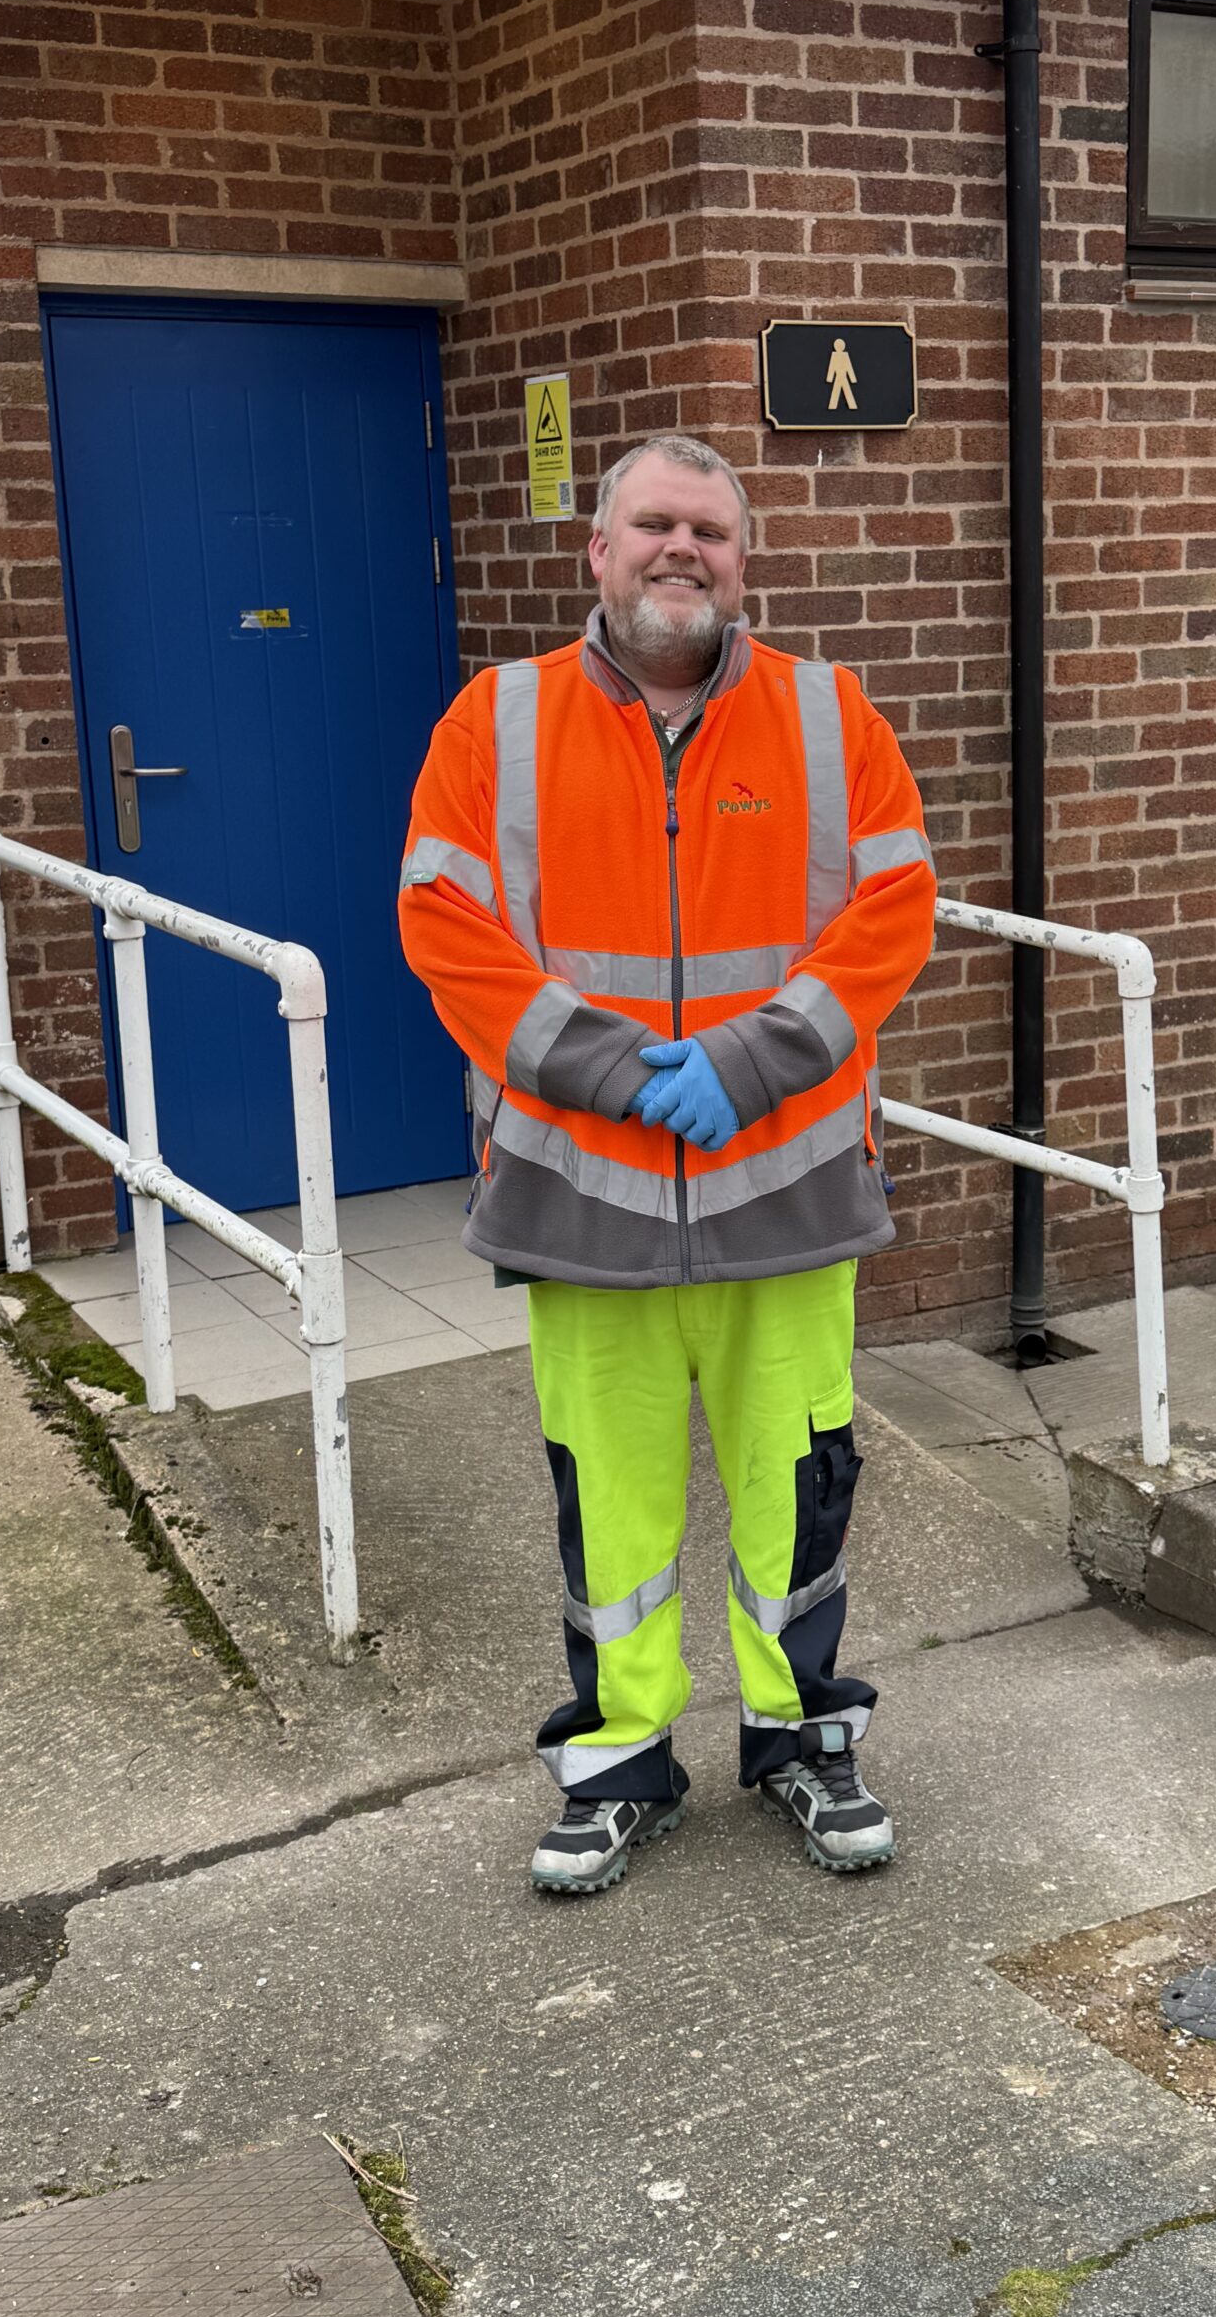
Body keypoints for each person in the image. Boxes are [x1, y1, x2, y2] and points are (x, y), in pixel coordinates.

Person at [398, 432, 936, 1894]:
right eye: (651, 526)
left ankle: (803, 1734)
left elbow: (892, 914)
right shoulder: (492, 723)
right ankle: (619, 1759)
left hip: (787, 1184)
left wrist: (749, 1063)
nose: (678, 550)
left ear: (743, 562)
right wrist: (625, 1072)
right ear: (599, 552)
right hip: (586, 1191)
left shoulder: (833, 718)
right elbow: (445, 926)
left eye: (708, 528)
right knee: (611, 1497)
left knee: (796, 1484)